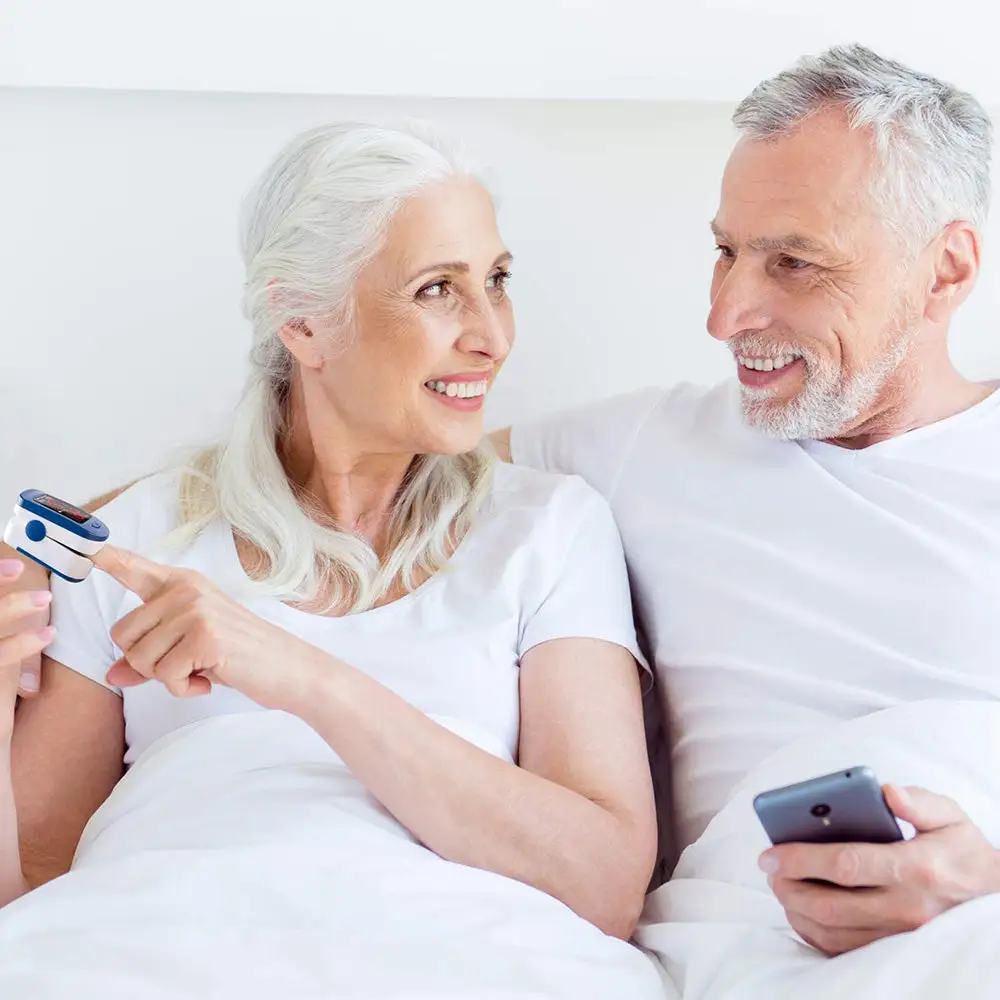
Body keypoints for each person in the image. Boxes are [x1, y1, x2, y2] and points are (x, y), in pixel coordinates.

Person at [0, 122, 665, 998]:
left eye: (498, 282)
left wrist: (296, 674)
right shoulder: (131, 544)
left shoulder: (549, 531)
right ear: (303, 322)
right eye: (439, 289)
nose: (493, 336)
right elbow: (35, 898)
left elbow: (604, 886)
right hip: (153, 956)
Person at [497, 44, 1000, 957]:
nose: (725, 317)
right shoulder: (642, 447)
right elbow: (357, 465)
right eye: (726, 252)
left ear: (947, 271)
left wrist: (989, 877)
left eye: (795, 263)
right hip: (744, 943)